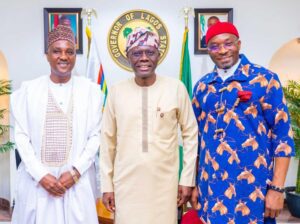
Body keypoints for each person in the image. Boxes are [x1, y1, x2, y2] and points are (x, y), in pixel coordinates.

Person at [191, 22, 295, 224]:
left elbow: (282, 137)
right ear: (208, 50)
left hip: (253, 188)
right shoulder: (202, 86)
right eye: (214, 46)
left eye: (228, 43)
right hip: (211, 189)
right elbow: (196, 139)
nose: (222, 50)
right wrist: (195, 184)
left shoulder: (265, 79)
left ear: (239, 44)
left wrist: (276, 188)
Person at [100, 27, 198, 224]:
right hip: (126, 184)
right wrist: (106, 185)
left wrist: (187, 179)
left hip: (164, 185)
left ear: (158, 56)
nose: (143, 58)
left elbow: (191, 134)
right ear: (128, 57)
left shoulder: (176, 88)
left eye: (150, 52)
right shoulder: (117, 92)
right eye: (137, 53)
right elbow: (107, 141)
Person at [11, 25, 102, 224]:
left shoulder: (91, 92)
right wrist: (41, 175)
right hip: (37, 184)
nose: (63, 56)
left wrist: (75, 172)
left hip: (76, 183)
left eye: (69, 52)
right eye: (56, 51)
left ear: (75, 56)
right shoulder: (28, 91)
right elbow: (21, 137)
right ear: (47, 55)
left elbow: (96, 136)